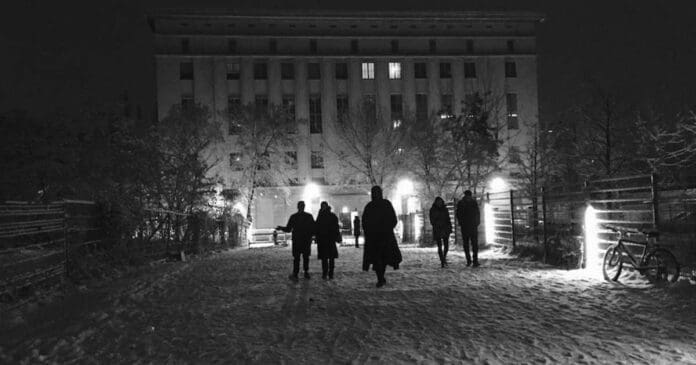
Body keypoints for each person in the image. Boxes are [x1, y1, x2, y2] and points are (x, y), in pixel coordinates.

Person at [362, 185, 402, 287]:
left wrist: (370, 232)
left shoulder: (370, 206)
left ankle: (380, 278)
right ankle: (380, 278)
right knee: (381, 259)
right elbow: (393, 219)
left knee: (379, 258)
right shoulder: (385, 204)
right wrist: (387, 229)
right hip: (383, 237)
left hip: (377, 238)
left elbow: (365, 223)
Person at [276, 201, 315, 280]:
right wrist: (311, 237)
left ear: (298, 207)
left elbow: (288, 229)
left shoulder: (294, 217)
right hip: (306, 240)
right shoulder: (309, 216)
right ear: (304, 207)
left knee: (296, 258)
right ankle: (306, 272)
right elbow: (313, 228)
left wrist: (281, 228)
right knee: (306, 257)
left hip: (297, 240)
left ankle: (296, 273)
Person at [315, 201, 341, 279]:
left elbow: (317, 227)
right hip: (328, 239)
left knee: (326, 257)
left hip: (326, 239)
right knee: (328, 257)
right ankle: (328, 273)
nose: (323, 207)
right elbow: (336, 227)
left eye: (323, 206)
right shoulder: (331, 216)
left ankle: (328, 273)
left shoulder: (320, 216)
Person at [456, 190, 481, 267]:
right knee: (473, 244)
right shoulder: (473, 202)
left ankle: (470, 260)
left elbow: (458, 214)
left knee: (467, 244)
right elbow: (477, 213)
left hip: (466, 226)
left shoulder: (461, 203)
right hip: (472, 226)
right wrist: (477, 222)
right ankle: (474, 260)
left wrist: (461, 222)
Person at [429, 196, 452, 268]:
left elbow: (448, 218)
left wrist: (449, 227)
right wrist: (436, 224)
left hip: (445, 228)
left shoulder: (445, 209)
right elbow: (432, 220)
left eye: (440, 202)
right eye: (438, 202)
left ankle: (444, 257)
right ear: (436, 202)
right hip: (438, 229)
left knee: (446, 246)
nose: (439, 203)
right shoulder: (433, 209)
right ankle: (442, 260)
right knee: (439, 246)